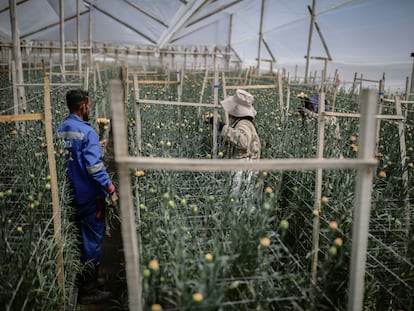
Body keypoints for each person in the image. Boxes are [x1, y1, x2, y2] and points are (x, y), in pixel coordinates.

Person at [57, 89, 118, 305]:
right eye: (89, 105)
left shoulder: (60, 129)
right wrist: (110, 188)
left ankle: (83, 279)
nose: (90, 109)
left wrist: (95, 148)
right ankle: (89, 290)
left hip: (68, 197)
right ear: (83, 106)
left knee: (76, 239)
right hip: (89, 197)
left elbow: (71, 157)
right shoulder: (87, 132)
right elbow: (93, 167)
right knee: (92, 241)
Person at [210, 89, 261, 204]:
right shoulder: (244, 122)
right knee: (243, 196)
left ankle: (239, 217)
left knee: (238, 197)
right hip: (246, 164)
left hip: (244, 165)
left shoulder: (243, 124)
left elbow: (243, 142)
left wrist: (222, 127)